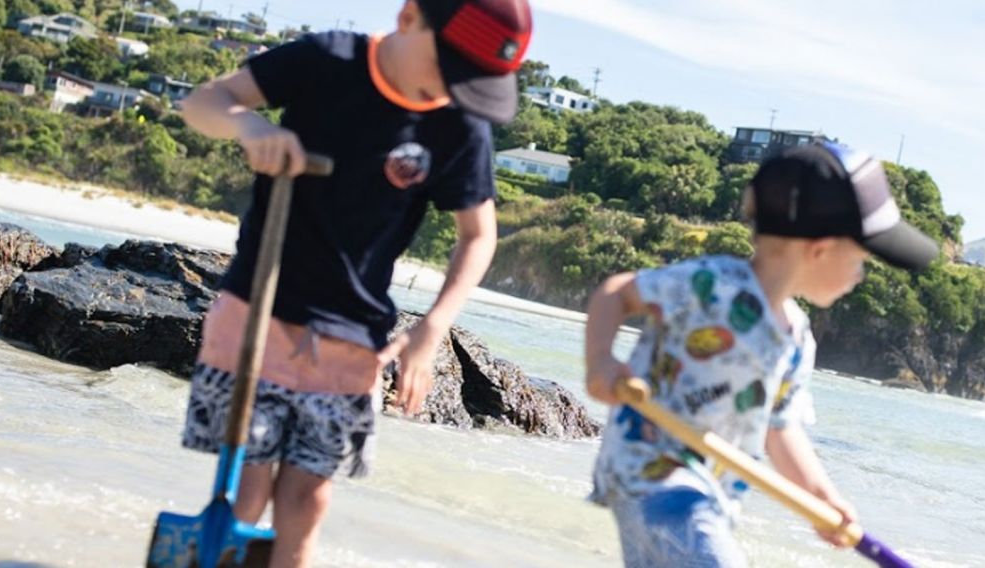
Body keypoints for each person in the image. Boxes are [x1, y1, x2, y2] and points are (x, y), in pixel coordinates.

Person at [173, 0, 532, 564]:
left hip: (354, 334)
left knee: (309, 497)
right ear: (410, 17)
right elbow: (203, 102)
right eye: (450, 70)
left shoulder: (458, 123)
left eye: (471, 82)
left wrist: (433, 329)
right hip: (257, 312)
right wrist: (249, 125)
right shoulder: (326, 60)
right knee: (247, 485)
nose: (455, 90)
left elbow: (478, 235)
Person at [582, 142, 940, 566]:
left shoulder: (797, 340)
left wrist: (822, 496)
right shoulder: (710, 284)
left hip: (709, 495)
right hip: (653, 475)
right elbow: (616, 294)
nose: (861, 275)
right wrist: (602, 361)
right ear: (820, 249)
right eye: (861, 260)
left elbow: (780, 429)